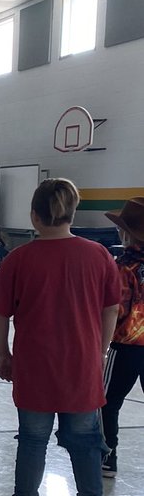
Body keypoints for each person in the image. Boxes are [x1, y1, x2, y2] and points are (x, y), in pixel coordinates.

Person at [0, 178, 120, 496]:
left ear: (34, 216)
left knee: (32, 440)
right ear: (72, 213)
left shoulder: (19, 259)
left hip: (34, 370)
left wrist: (3, 354)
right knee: (86, 442)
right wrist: (100, 350)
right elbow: (111, 309)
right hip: (81, 370)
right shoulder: (98, 255)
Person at [100, 198, 144, 478]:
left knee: (108, 401)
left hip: (126, 345)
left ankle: (108, 455)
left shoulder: (123, 266)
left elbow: (116, 309)